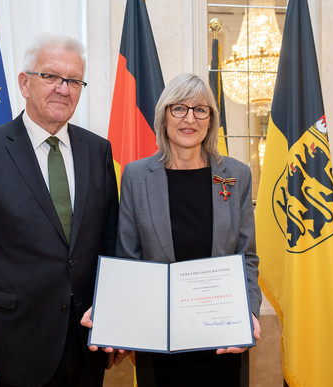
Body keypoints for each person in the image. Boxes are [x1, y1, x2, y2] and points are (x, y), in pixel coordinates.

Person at [0, 33, 119, 387]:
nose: (63, 88)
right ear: (24, 83)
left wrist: (117, 323)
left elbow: (110, 248)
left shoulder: (98, 151)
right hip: (12, 350)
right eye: (50, 76)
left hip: (86, 348)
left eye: (74, 80)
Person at [82, 73, 262, 386]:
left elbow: (246, 256)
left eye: (200, 110)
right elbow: (128, 257)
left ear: (211, 120)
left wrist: (250, 314)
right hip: (159, 337)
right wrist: (116, 313)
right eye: (178, 108)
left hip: (223, 336)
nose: (189, 118)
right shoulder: (137, 176)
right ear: (164, 116)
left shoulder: (236, 175)